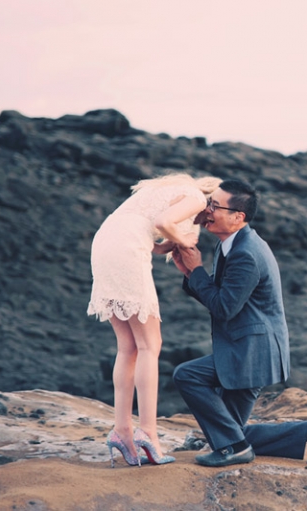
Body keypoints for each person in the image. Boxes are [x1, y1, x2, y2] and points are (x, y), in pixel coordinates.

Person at [170, 178, 307, 467]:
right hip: (249, 348)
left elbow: (223, 308)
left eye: (215, 206)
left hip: (252, 353)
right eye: (209, 203)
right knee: (228, 433)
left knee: (187, 376)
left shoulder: (245, 253)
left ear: (238, 217)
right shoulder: (232, 244)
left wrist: (197, 271)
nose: (207, 210)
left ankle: (236, 450)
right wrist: (190, 273)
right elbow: (222, 297)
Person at [87, 172, 222, 467]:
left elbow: (141, 227)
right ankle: (148, 432)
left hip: (104, 244)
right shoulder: (196, 197)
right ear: (211, 199)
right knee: (150, 345)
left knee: (128, 347)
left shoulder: (167, 190)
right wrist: (183, 239)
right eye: (214, 210)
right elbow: (163, 223)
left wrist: (163, 247)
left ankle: (122, 431)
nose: (209, 219)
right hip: (126, 250)